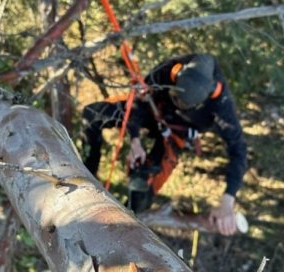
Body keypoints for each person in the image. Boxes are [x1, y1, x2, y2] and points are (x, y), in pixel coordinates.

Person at [81, 53, 247, 236]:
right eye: (176, 98)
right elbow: (139, 98)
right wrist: (135, 139)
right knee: (93, 115)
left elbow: (238, 150)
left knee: (144, 187)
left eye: (185, 104)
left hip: (175, 134)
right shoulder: (170, 69)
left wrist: (227, 201)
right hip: (152, 110)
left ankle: (118, 229)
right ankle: (84, 174)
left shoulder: (222, 105)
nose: (179, 104)